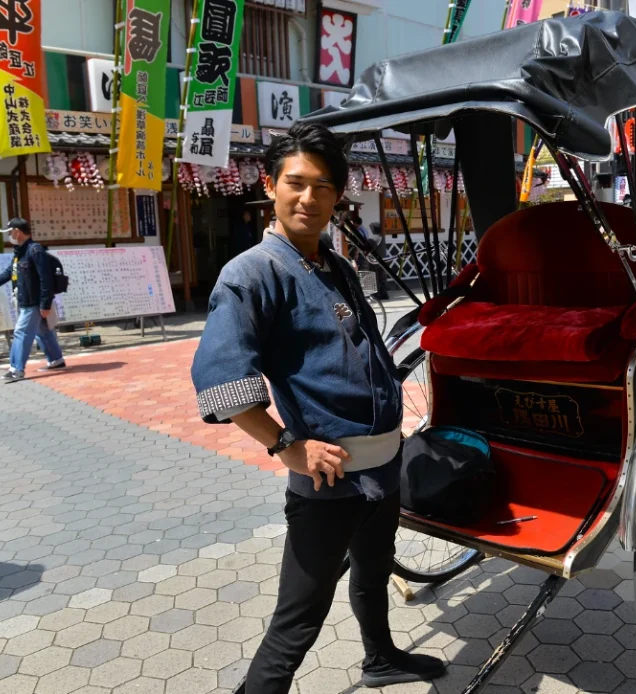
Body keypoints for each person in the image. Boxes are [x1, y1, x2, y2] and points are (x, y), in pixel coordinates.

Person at [190, 123, 445, 694]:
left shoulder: (334, 263)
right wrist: (286, 445)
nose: (309, 198)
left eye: (323, 186)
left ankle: (379, 658)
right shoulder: (252, 273)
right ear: (270, 185)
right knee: (297, 622)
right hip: (329, 476)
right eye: (296, 184)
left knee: (374, 572)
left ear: (338, 194)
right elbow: (222, 377)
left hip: (382, 465)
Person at [0, 218, 64, 382]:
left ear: (17, 232)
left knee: (21, 333)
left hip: (34, 302)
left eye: (10, 232)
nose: (9, 236)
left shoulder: (35, 251)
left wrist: (45, 304)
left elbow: (46, 280)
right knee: (43, 331)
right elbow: (8, 273)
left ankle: (16, 369)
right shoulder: (20, 253)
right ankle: (56, 360)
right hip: (27, 300)